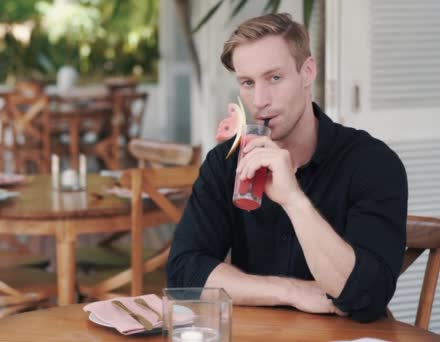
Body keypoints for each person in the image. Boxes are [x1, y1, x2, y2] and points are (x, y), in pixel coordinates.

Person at [166, 13, 408, 322]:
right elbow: (184, 274)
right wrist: (290, 291)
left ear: (307, 72)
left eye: (274, 78)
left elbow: (366, 297)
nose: (260, 100)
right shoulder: (224, 163)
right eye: (247, 83)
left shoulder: (372, 163)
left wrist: (293, 200)